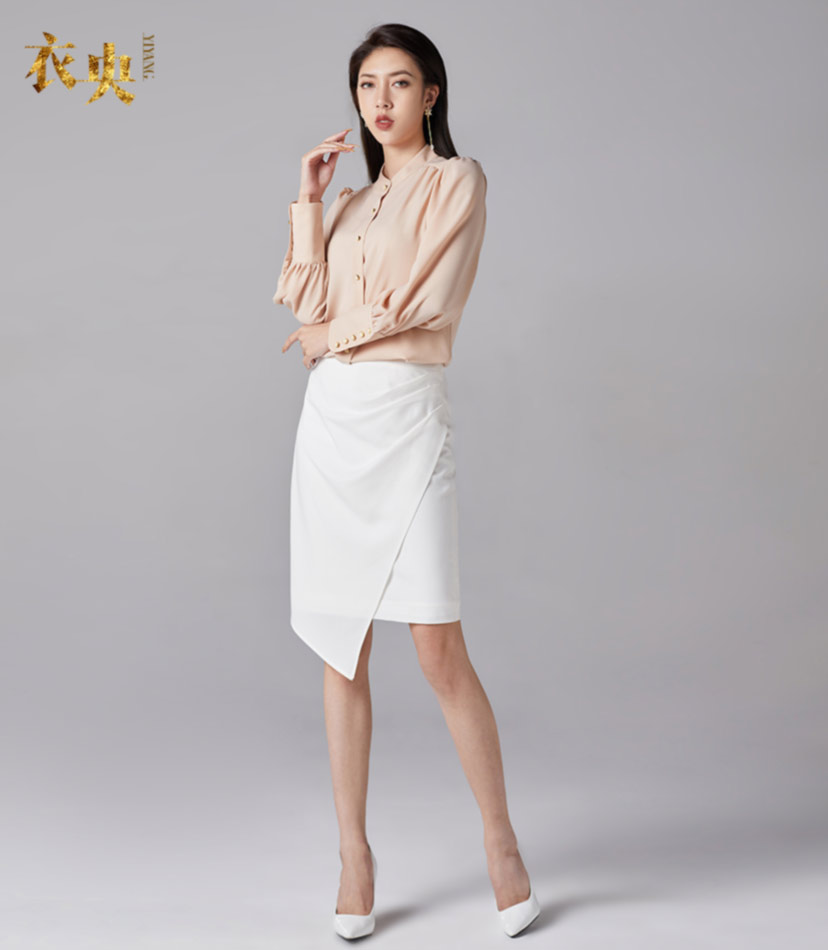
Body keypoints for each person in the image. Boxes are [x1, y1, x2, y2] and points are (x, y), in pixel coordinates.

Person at [273, 23, 540, 939]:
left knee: (437, 648)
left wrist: (331, 339)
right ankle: (353, 853)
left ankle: (500, 841)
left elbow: (427, 305)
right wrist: (309, 203)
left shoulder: (457, 182)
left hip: (406, 418)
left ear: (432, 94)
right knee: (340, 648)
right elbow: (307, 301)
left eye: (399, 83)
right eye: (367, 86)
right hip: (331, 429)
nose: (380, 101)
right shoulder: (350, 202)